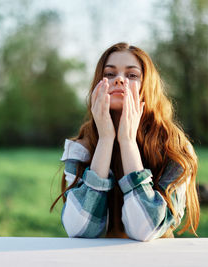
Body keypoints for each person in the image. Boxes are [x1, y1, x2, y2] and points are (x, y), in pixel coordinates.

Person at [50, 42, 199, 241]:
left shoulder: (175, 148)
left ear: (148, 86)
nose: (119, 80)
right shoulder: (82, 146)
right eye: (110, 74)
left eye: (132, 75)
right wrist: (105, 140)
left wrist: (127, 141)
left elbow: (145, 229)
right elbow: (79, 230)